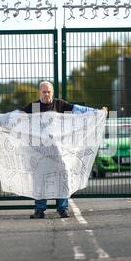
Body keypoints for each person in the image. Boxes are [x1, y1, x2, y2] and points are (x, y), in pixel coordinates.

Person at [21, 80, 108, 219]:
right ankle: (39, 210)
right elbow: (15, 117)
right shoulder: (33, 107)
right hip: (40, 153)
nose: (46, 94)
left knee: (62, 179)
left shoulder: (60, 104)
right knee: (40, 181)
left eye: (49, 91)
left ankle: (62, 208)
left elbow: (79, 110)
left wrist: (98, 113)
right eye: (44, 92)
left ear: (52, 93)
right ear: (39, 92)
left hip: (59, 152)